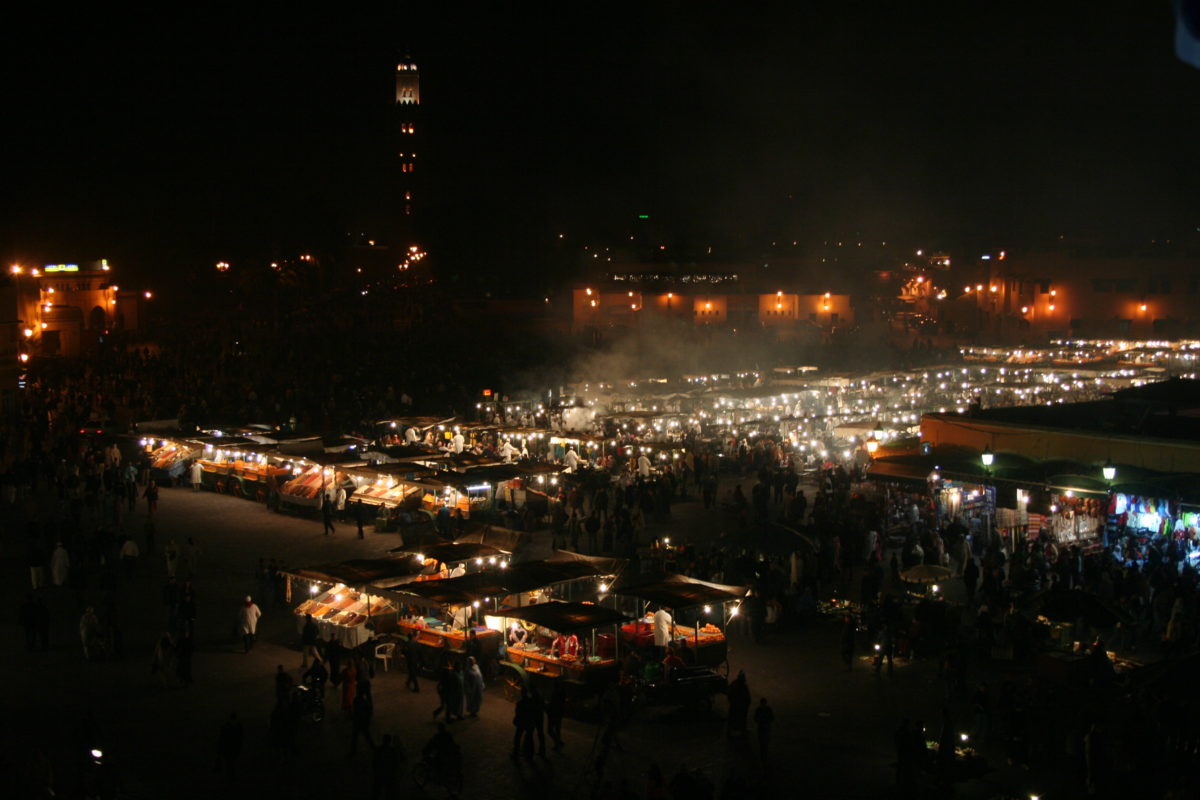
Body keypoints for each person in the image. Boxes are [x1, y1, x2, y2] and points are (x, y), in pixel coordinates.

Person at [370, 733, 400, 800]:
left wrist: (375, 772)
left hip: (380, 774)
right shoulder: (392, 751)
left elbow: (374, 762)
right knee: (389, 792)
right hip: (388, 774)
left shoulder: (379, 750)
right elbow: (395, 764)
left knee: (376, 791)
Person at [216, 712, 243, 782]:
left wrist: (219, 751)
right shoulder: (238, 727)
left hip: (227, 748)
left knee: (229, 763)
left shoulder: (225, 727)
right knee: (231, 762)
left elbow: (221, 739)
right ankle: (232, 777)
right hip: (233, 748)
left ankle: (230, 777)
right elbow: (240, 738)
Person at [726, 670, 750, 737]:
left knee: (734, 718)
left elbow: (729, 693)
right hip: (738, 705)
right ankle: (740, 731)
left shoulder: (735, 684)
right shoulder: (740, 685)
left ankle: (731, 731)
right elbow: (746, 696)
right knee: (740, 719)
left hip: (736, 705)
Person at [350, 689, 374, 755]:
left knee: (355, 737)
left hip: (358, 721)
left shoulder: (356, 700)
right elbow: (369, 711)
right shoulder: (364, 701)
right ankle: (373, 747)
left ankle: (353, 751)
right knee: (366, 735)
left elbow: (355, 711)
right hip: (361, 721)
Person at [754, 698, 774, 765]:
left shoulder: (759, 710)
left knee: (762, 740)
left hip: (762, 727)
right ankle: (764, 750)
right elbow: (772, 718)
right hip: (765, 726)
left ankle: (763, 750)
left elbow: (755, 718)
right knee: (764, 740)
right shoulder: (768, 709)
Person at [546, 683, 566, 750]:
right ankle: (558, 743)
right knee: (557, 730)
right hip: (558, 714)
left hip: (554, 713)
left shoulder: (556, 694)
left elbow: (553, 704)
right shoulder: (562, 694)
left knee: (550, 730)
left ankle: (558, 742)